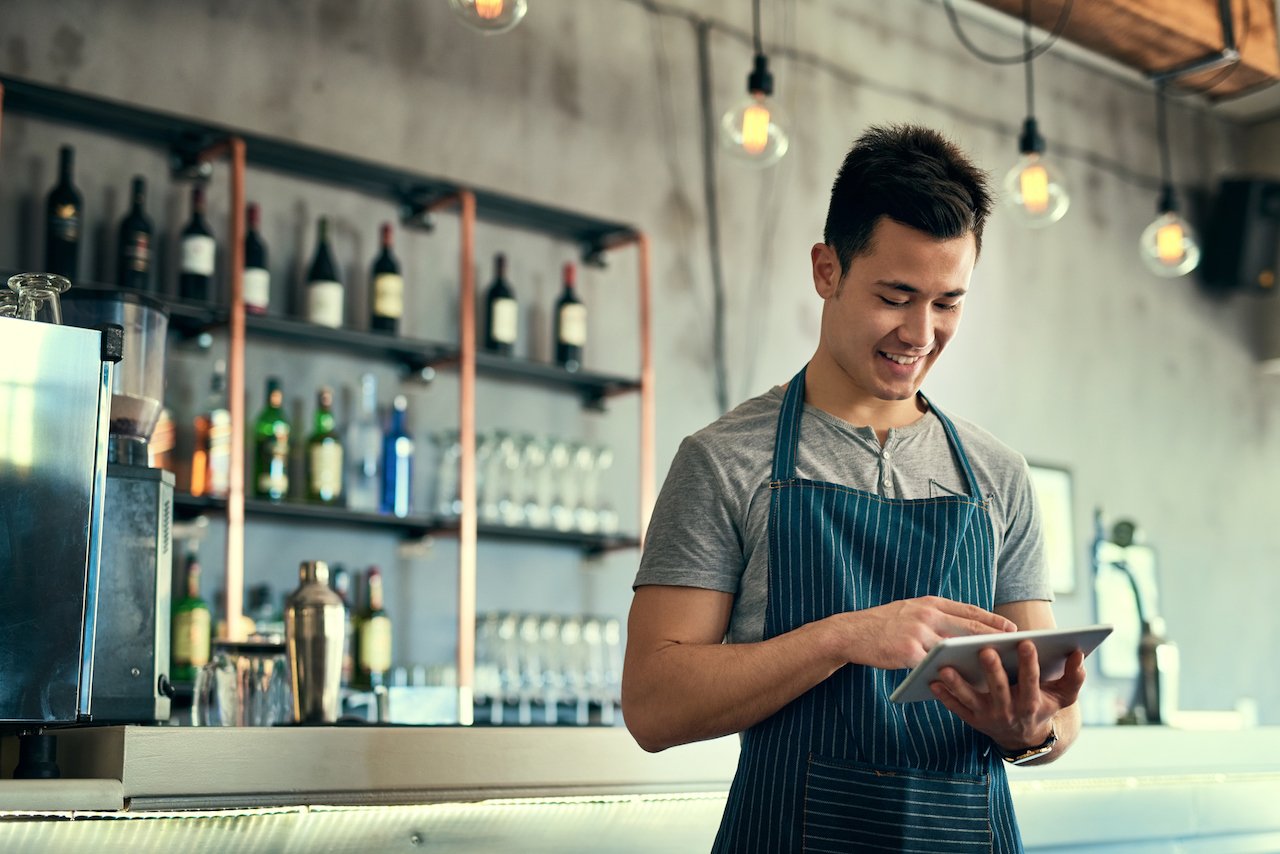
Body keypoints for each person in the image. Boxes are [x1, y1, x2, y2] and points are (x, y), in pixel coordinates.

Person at [621, 124, 1085, 853]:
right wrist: (844, 637)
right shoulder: (723, 460)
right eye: (896, 296)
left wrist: (1032, 733)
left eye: (948, 302)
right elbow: (652, 705)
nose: (920, 333)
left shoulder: (999, 475)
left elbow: (1056, 718)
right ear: (826, 270)